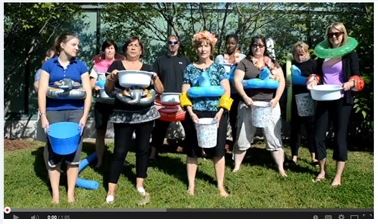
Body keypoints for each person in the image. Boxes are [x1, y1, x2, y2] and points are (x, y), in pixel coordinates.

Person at [104, 36, 164, 203]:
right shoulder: (116, 65)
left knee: (143, 149)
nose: (133, 48)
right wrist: (111, 79)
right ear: (125, 49)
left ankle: (140, 184)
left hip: (145, 114)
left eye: (136, 45)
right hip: (123, 114)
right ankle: (111, 189)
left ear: (141, 50)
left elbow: (160, 90)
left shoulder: (148, 67)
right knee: (120, 151)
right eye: (130, 45)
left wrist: (155, 78)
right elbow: (109, 91)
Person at [308, 22, 364, 187]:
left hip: (341, 98)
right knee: (318, 136)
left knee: (340, 137)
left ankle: (338, 177)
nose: (334, 37)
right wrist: (313, 79)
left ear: (343, 34)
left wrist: (350, 83)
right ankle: (322, 171)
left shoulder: (349, 54)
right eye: (331, 34)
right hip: (324, 98)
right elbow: (317, 74)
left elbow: (357, 77)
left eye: (337, 34)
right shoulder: (323, 54)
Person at [38, 32, 92, 204]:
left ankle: (70, 193)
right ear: (62, 44)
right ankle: (55, 194)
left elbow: (88, 92)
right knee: (53, 151)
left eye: (78, 45)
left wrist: (84, 116)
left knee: (75, 152)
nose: (77, 48)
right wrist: (44, 116)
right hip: (54, 112)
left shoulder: (81, 66)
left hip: (75, 112)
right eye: (74, 44)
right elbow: (41, 91)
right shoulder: (49, 65)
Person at [181, 30, 231, 197]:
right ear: (196, 49)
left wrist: (221, 111)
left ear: (211, 48)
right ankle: (191, 186)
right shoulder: (189, 69)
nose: (203, 49)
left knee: (218, 151)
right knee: (192, 150)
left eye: (206, 46)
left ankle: (220, 187)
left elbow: (227, 91)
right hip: (195, 114)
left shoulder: (218, 68)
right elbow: (185, 93)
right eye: (200, 46)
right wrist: (191, 112)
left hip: (216, 114)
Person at [233, 35, 287, 177]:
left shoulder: (272, 62)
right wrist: (245, 98)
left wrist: (276, 100)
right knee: (243, 135)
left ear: (265, 48)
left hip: (270, 105)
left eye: (261, 45)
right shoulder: (245, 62)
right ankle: (236, 166)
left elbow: (282, 81)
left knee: (273, 136)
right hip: (249, 104)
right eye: (255, 45)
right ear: (251, 46)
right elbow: (237, 81)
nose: (257, 48)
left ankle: (281, 168)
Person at [149, 34, 191, 161]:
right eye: (170, 42)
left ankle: (194, 152)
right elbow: (153, 79)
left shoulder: (185, 60)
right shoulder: (160, 60)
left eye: (175, 42)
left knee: (190, 127)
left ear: (179, 44)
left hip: (182, 101)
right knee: (159, 129)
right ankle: (153, 153)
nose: (172, 45)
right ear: (167, 44)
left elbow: (191, 79)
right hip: (164, 101)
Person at [89, 40, 124, 168]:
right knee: (100, 132)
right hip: (101, 103)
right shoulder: (96, 65)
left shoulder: (120, 65)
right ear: (104, 50)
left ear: (115, 50)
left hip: (116, 103)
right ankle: (99, 160)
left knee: (119, 132)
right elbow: (91, 83)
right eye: (107, 48)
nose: (109, 50)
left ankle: (117, 160)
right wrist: (94, 88)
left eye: (112, 48)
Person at [215, 33, 246, 153]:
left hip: (236, 94)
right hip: (223, 94)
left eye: (232, 43)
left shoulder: (242, 58)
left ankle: (235, 147)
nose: (230, 45)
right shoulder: (220, 58)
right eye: (228, 43)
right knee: (222, 119)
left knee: (235, 121)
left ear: (237, 44)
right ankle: (218, 147)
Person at [289, 41, 317, 165]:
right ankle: (294, 156)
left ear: (307, 52)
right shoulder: (290, 65)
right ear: (294, 54)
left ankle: (314, 156)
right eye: (297, 54)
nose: (300, 57)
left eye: (302, 54)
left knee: (311, 129)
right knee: (296, 129)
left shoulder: (313, 64)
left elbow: (318, 78)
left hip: (311, 99)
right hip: (294, 100)